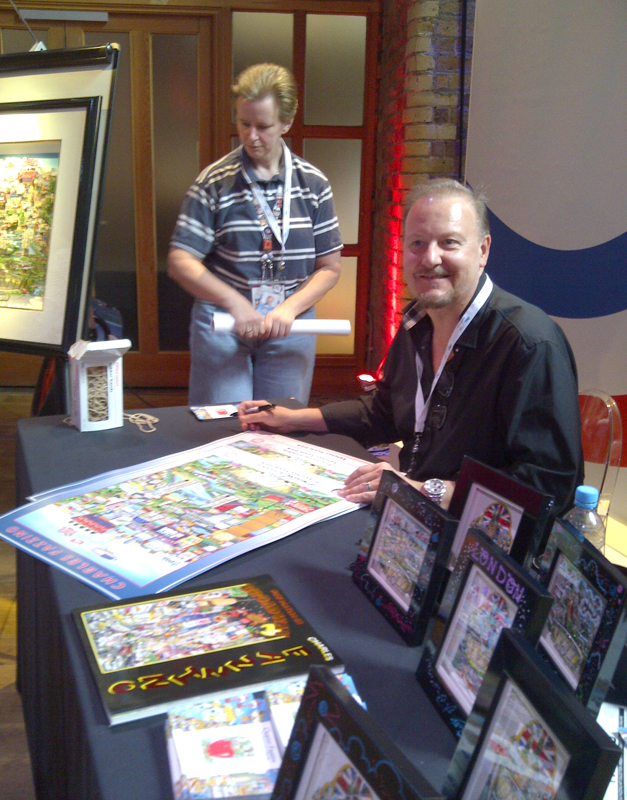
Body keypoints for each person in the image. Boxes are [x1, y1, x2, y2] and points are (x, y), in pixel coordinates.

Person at [237, 178, 583, 514]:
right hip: (408, 512)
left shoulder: (529, 345)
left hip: (476, 541)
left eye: (449, 243)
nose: (430, 258)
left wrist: (425, 490)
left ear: (482, 251)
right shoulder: (417, 322)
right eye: (417, 243)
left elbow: (550, 487)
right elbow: (385, 412)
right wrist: (292, 419)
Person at [168, 63, 343, 406]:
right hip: (224, 321)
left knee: (281, 425)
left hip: (290, 323)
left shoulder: (313, 185)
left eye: (263, 126)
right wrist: (234, 303)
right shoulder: (215, 181)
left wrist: (290, 309)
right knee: (223, 428)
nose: (251, 136)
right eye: (244, 124)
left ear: (287, 123)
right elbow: (180, 260)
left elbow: (329, 268)